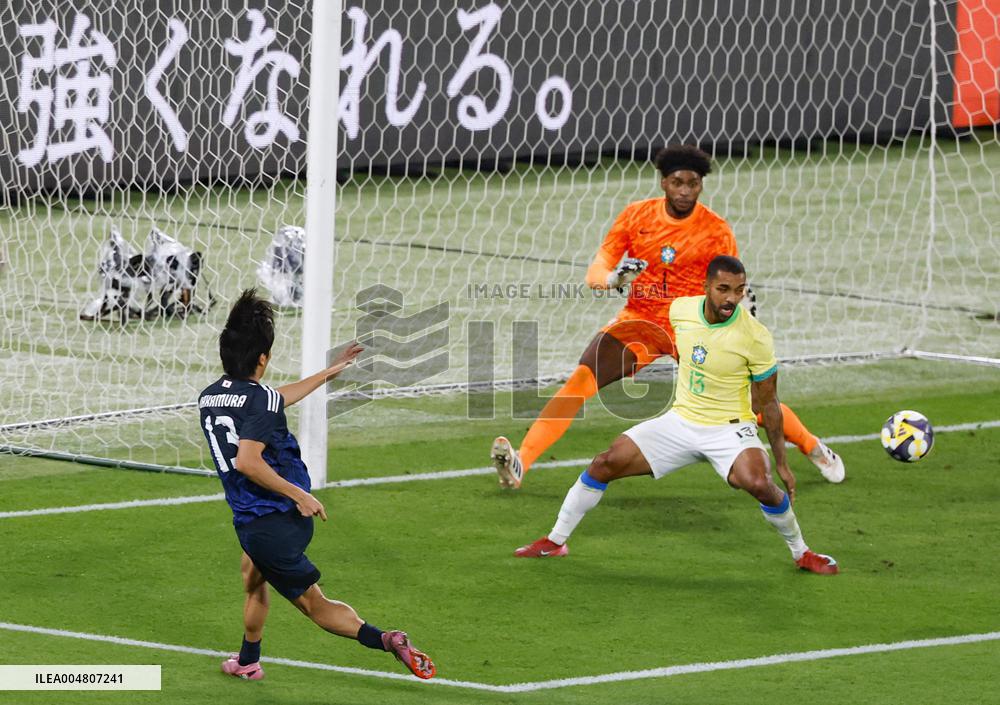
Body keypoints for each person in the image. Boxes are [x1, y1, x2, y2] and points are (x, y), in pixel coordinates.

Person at [491, 145, 844, 488]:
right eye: (678, 183)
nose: (685, 191)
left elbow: (731, 285)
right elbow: (595, 272)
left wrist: (740, 311)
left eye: (693, 184)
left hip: (693, 325)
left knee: (752, 403)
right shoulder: (635, 217)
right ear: (663, 182)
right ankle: (523, 461)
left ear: (701, 185)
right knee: (579, 383)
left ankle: (813, 447)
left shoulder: (715, 230)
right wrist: (614, 279)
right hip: (641, 322)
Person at [513, 256, 839, 576]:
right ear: (706, 286)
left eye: (738, 291)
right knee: (605, 462)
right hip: (680, 422)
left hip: (730, 429)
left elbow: (768, 403)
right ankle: (555, 541)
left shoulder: (755, 336)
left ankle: (802, 552)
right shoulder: (680, 311)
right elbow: (665, 341)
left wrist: (782, 462)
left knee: (758, 482)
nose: (731, 298)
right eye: (723, 289)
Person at [198, 289, 436, 681]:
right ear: (263, 358)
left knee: (313, 604)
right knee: (251, 575)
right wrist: (299, 493)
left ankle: (386, 639)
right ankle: (247, 660)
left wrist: (300, 495)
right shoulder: (263, 400)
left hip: (270, 521)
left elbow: (246, 459)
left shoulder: (210, 398)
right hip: (275, 518)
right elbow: (269, 409)